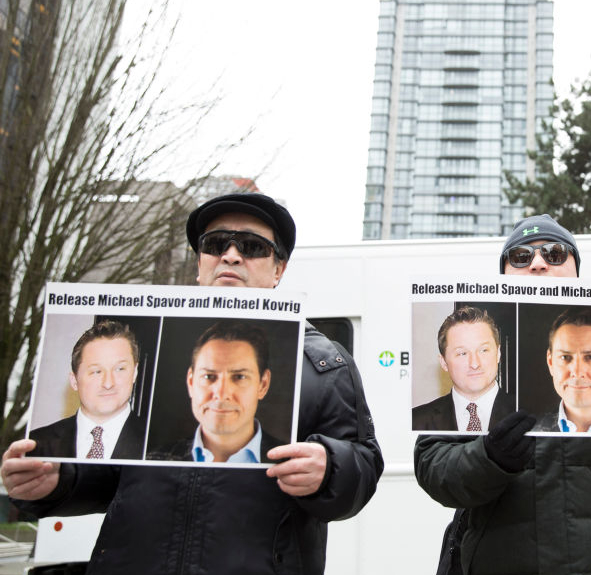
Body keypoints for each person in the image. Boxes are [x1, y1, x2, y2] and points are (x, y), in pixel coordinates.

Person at [2, 192, 384, 574]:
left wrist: (331, 468)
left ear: (278, 270)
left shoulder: (325, 364)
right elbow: (112, 475)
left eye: (252, 247)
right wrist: (56, 480)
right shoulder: (146, 353)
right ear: (200, 265)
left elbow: (363, 470)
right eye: (216, 245)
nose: (231, 255)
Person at [415, 214, 591, 574]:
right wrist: (489, 459)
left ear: (577, 271)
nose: (537, 262)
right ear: (502, 274)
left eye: (554, 253)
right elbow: (432, 467)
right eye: (520, 256)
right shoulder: (475, 364)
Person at [154, 321, 285, 463]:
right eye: (209, 376)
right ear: (191, 382)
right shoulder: (154, 460)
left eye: (239, 377)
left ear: (263, 385)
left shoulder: (292, 464)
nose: (221, 394)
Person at [29, 320, 145, 460]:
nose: (108, 383)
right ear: (74, 381)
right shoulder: (35, 445)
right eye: (96, 371)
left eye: (119, 369)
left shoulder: (162, 445)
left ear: (135, 373)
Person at [413, 306, 514, 432]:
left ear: (498, 353)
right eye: (462, 353)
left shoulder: (531, 416)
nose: (475, 364)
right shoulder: (416, 421)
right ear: (444, 362)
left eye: (483, 350)